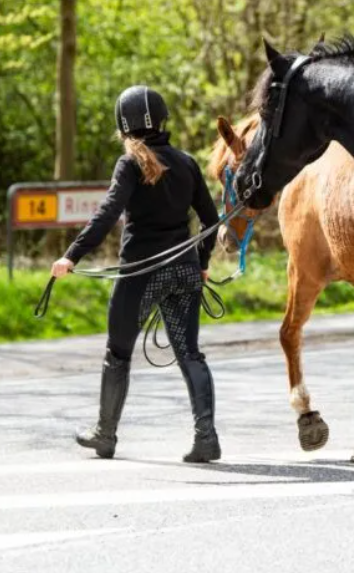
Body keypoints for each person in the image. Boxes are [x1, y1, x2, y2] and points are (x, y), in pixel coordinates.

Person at [51, 85, 222, 463]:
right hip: (183, 271)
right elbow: (211, 222)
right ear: (162, 120)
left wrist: (71, 256)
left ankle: (106, 434)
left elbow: (108, 214)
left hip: (141, 272)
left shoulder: (130, 163)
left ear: (122, 125)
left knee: (118, 352)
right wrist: (203, 262)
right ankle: (206, 437)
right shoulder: (187, 162)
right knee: (191, 354)